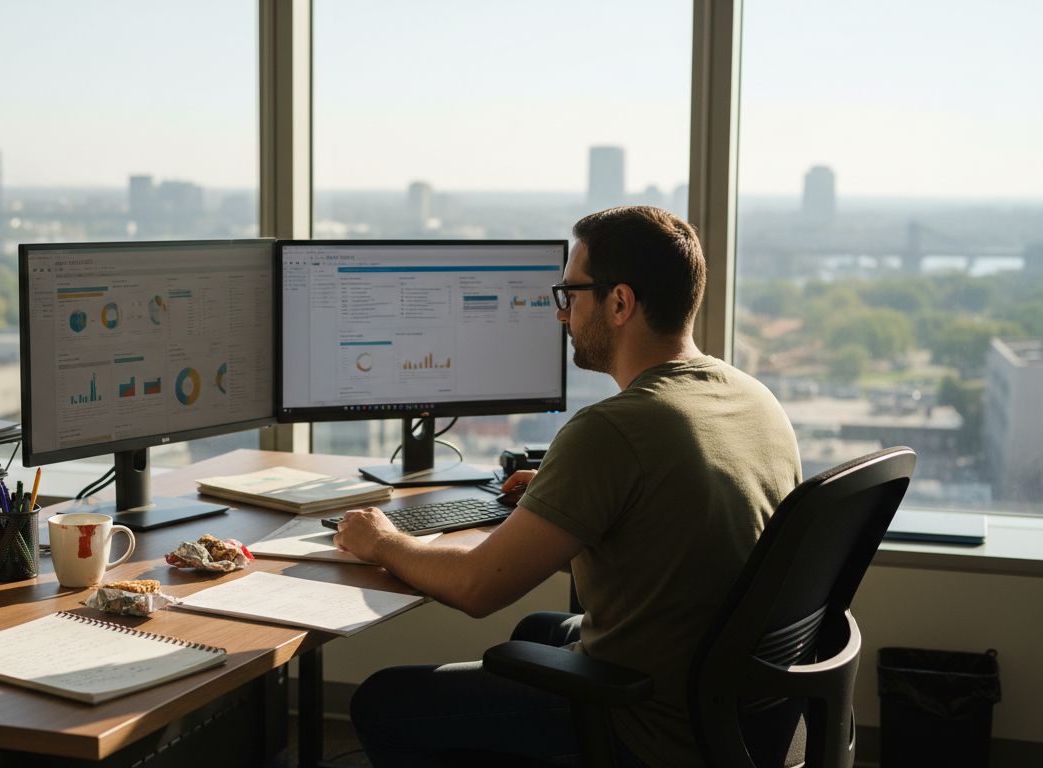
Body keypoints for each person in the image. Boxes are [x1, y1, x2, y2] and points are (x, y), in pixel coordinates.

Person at [333, 206, 803, 767]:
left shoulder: (613, 429)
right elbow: (675, 523)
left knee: (382, 701)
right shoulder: (753, 398)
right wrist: (567, 499)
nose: (562, 314)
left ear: (620, 303)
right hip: (737, 709)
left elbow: (477, 588)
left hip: (650, 724)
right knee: (535, 630)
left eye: (571, 295)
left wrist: (381, 541)